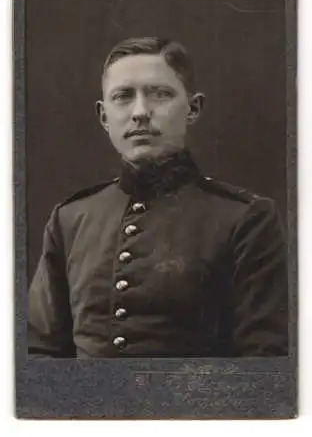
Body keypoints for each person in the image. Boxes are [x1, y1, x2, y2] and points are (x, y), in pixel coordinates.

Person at [28, 37, 288, 358]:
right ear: (103, 116)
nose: (140, 112)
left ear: (193, 108)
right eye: (123, 97)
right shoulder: (70, 219)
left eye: (160, 94)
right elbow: (39, 356)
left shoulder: (245, 218)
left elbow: (262, 365)